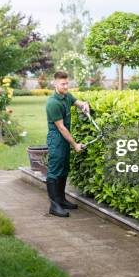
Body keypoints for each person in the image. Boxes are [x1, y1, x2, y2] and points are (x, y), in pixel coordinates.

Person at [45, 71, 89, 217]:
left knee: (64, 168)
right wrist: (75, 144)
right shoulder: (53, 103)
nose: (66, 86)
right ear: (55, 83)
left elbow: (77, 103)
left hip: (64, 139)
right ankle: (54, 205)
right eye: (63, 84)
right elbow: (61, 128)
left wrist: (84, 105)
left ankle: (62, 200)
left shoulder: (67, 96)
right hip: (57, 139)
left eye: (67, 83)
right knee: (55, 170)